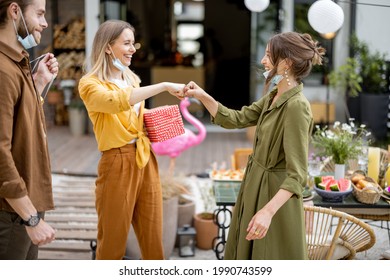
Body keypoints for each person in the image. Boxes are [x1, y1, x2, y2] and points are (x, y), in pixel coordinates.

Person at [185, 31, 325, 259]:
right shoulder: (274, 96)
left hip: (275, 199)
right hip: (255, 186)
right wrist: (202, 96)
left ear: (287, 63)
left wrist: (267, 212)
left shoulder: (297, 107)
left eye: (269, 55)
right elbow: (236, 118)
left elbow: (297, 175)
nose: (262, 60)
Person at [78, 19, 186, 260]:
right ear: (108, 47)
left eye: (133, 43)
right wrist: (164, 85)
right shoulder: (90, 84)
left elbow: (133, 115)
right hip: (117, 162)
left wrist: (161, 119)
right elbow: (116, 103)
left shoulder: (132, 80)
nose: (133, 49)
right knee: (113, 239)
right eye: (126, 43)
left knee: (153, 238)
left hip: (145, 158)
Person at [0, 0, 58, 260]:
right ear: (15, 12)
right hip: (11, 210)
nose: (45, 23)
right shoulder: (2, 70)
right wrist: (30, 218)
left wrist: (39, 82)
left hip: (22, 205)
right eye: (39, 14)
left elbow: (20, 122)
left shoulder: (17, 61)